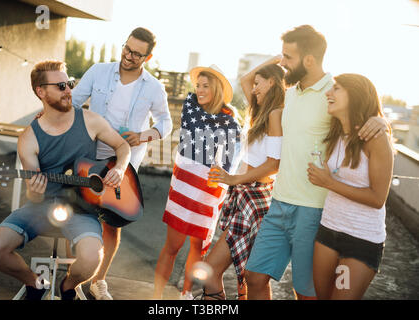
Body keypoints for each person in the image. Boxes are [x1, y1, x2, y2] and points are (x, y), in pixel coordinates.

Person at [244, 25, 389, 300]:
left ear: (308, 60)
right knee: (254, 276)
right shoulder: (290, 92)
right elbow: (247, 86)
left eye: (287, 57)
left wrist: (381, 122)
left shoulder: (334, 93)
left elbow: (364, 113)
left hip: (314, 209)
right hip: (280, 201)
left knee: (305, 292)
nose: (282, 62)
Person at [0, 60, 131, 300]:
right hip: (41, 205)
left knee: (93, 257)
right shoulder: (29, 137)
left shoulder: (90, 120)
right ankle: (35, 283)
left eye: (69, 84)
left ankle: (69, 285)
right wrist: (35, 191)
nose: (69, 90)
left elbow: (122, 146)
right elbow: (33, 195)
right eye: (61, 86)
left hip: (82, 208)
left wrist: (121, 168)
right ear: (41, 92)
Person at [70, 27, 173, 300]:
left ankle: (98, 280)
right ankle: (76, 280)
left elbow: (166, 122)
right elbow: (75, 102)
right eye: (127, 49)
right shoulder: (98, 71)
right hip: (88, 158)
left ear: (148, 58)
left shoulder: (153, 87)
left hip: (124, 164)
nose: (129, 56)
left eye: (137, 54)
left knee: (112, 225)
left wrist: (144, 136)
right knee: (84, 217)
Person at [152, 65, 241, 300]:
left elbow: (231, 162)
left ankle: (186, 294)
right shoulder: (190, 106)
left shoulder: (230, 122)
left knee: (197, 248)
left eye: (206, 86)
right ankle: (156, 297)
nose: (199, 91)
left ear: (217, 89)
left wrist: (223, 183)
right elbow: (193, 99)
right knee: (172, 246)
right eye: (198, 85)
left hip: (207, 190)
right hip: (183, 186)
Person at [203, 58, 285, 300]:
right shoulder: (261, 112)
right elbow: (245, 79)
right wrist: (277, 58)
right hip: (245, 196)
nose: (254, 88)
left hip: (256, 198)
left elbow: (273, 164)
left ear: (272, 82)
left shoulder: (276, 115)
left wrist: (234, 179)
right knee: (232, 276)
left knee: (252, 279)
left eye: (260, 83)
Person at [308, 73, 393, 300]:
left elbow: (378, 198)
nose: (328, 93)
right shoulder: (335, 132)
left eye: (336, 89)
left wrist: (329, 183)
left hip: (361, 240)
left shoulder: (375, 138)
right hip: (328, 232)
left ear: (355, 95)